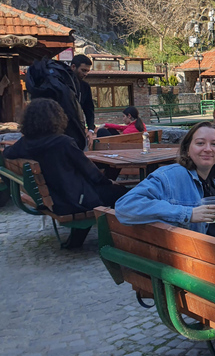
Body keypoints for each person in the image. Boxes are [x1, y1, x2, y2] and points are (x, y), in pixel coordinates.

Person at [3, 98, 128, 247]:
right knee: (124, 193)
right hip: (74, 201)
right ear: (56, 118)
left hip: (52, 199)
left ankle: (77, 239)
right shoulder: (63, 142)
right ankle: (128, 236)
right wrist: (109, 182)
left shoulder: (25, 144)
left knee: (110, 189)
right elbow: (90, 172)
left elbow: (7, 153)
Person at [115, 122, 215, 238]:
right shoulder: (170, 176)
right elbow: (125, 206)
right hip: (185, 255)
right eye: (200, 143)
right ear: (187, 149)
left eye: (214, 144)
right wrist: (189, 214)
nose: (208, 149)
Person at [71, 54, 96, 143]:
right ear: (73, 67)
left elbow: (89, 109)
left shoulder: (85, 86)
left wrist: (90, 130)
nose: (85, 74)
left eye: (87, 71)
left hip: (78, 129)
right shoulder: (62, 84)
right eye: (83, 70)